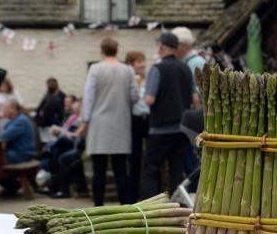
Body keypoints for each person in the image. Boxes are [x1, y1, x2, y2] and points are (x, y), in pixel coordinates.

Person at [80, 37, 139, 206]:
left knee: (99, 169)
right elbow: (134, 96)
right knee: (120, 169)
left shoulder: (95, 69)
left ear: (102, 51)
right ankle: (123, 205)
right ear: (117, 50)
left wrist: (85, 120)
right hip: (121, 123)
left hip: (99, 125)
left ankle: (98, 206)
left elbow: (89, 97)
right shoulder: (127, 70)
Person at [142, 31, 198, 198]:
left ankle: (149, 209)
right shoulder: (186, 68)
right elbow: (195, 99)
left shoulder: (157, 68)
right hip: (181, 129)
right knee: (176, 172)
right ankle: (176, 207)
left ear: (161, 47)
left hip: (159, 129)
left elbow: (149, 100)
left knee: (150, 170)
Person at [171, 27, 206, 191]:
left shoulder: (195, 63)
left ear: (183, 47)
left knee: (191, 161)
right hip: (189, 118)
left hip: (195, 120)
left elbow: (199, 95)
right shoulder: (187, 63)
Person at [0, 99, 36, 195]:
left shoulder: (20, 121)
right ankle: (12, 186)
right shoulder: (14, 121)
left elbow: (2, 137)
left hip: (22, 154)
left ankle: (13, 186)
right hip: (16, 153)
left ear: (13, 109)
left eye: (5, 108)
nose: (3, 111)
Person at [125, 50, 150, 198]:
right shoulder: (129, 80)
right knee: (134, 158)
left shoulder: (148, 78)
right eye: (139, 61)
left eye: (143, 61)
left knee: (149, 158)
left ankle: (147, 193)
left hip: (149, 119)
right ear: (131, 64)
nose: (143, 64)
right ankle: (132, 195)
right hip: (134, 120)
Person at [34, 77, 65, 142]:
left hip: (44, 124)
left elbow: (39, 109)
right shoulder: (54, 99)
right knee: (53, 142)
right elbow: (61, 114)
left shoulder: (47, 97)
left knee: (47, 142)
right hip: (51, 125)